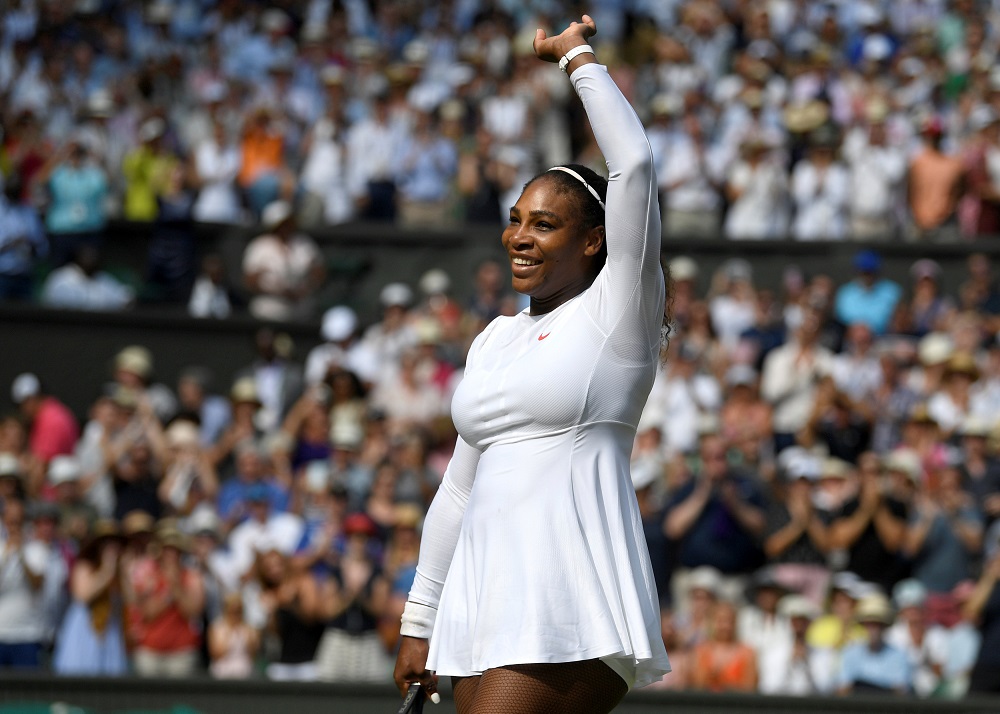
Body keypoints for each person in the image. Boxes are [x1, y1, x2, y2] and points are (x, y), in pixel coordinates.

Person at [393, 17, 671, 713]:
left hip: (572, 599)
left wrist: (577, 58)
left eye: (544, 224)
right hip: (482, 601)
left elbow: (634, 165)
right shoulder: (494, 338)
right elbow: (459, 489)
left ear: (594, 241)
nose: (519, 235)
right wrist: (420, 619)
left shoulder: (618, 311)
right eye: (517, 218)